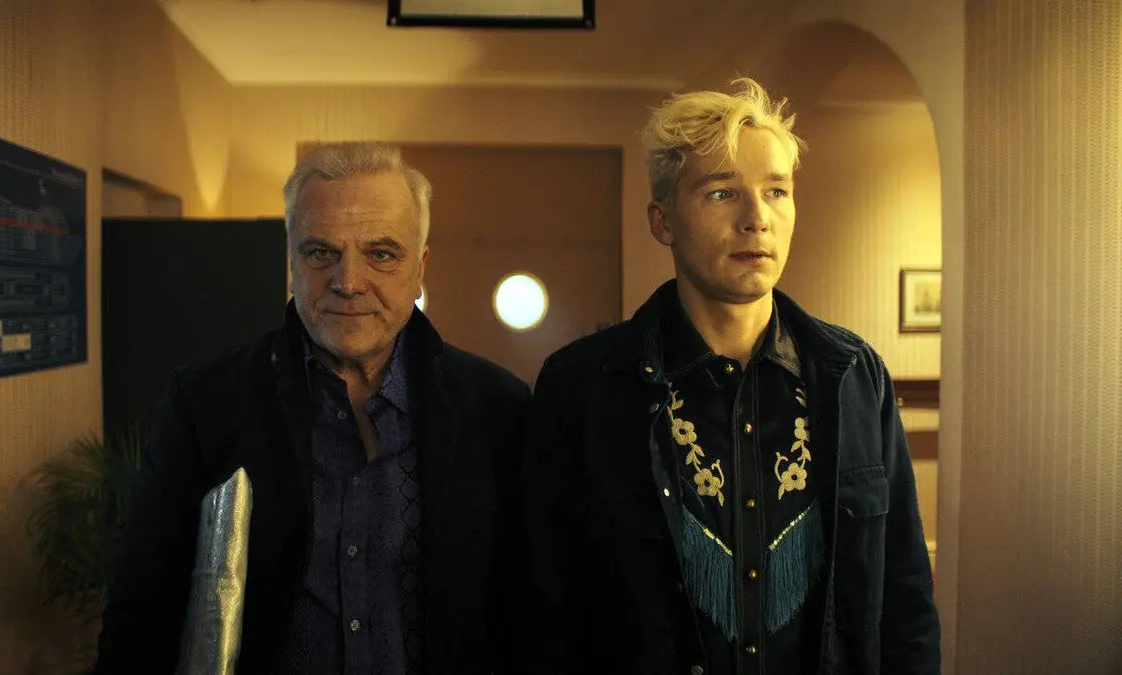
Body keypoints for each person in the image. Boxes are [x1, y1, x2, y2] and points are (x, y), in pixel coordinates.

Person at [521, 79, 939, 675]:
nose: (757, 219)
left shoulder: (853, 375)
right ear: (663, 221)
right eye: (722, 193)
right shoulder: (584, 386)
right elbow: (548, 613)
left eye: (776, 191)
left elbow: (904, 597)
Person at [95, 142, 530, 674]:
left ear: (419, 269)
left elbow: (527, 609)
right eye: (321, 252)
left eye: (381, 254)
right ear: (292, 262)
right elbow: (142, 607)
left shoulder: (497, 408)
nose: (348, 283)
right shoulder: (205, 401)